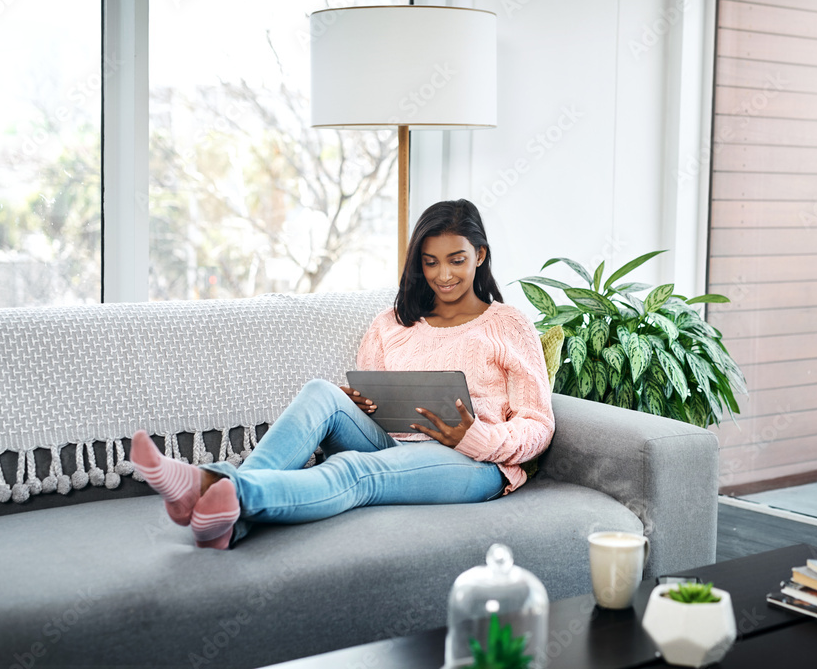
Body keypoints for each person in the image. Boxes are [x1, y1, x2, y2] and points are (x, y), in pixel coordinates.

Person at [130, 199, 555, 549]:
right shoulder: (393, 322)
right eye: (430, 262)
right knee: (321, 392)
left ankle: (217, 487)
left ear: (479, 256)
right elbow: (374, 396)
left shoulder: (508, 324)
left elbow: (538, 424)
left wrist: (477, 437)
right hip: (393, 441)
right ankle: (226, 521)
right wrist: (361, 404)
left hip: (472, 462)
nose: (443, 275)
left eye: (456, 260)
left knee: (356, 470)